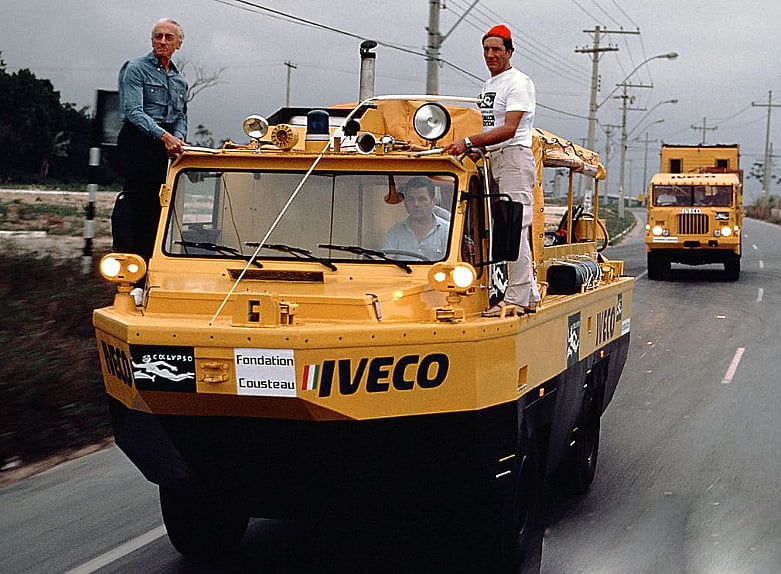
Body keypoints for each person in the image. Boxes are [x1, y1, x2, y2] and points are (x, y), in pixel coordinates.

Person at [444, 24, 540, 315]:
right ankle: (530, 295)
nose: (490, 54)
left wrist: (468, 141)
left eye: (497, 49)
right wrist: (478, 148)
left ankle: (516, 298)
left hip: (514, 157)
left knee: (514, 227)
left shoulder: (518, 83)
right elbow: (492, 130)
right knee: (505, 227)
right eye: (486, 49)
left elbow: (510, 129)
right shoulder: (489, 86)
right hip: (496, 158)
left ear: (509, 51)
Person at [113, 18, 188, 262]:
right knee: (137, 204)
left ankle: (155, 263)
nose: (162, 42)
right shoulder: (135, 68)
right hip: (139, 140)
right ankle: (133, 268)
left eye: (168, 37)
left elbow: (180, 116)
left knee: (161, 204)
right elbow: (133, 111)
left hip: (164, 145)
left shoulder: (179, 80)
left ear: (178, 43)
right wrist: (164, 137)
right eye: (158, 36)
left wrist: (178, 139)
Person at [382, 177, 449, 261]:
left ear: (433, 201)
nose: (416, 204)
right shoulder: (395, 231)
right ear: (405, 203)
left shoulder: (448, 231)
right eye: (411, 199)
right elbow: (386, 261)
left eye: (422, 199)